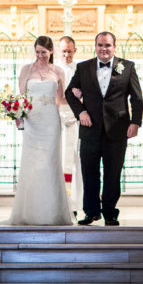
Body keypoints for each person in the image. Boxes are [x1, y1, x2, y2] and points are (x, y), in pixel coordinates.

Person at [66, 32, 143, 225]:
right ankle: (91, 212)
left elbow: (137, 98)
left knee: (112, 173)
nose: (104, 49)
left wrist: (135, 122)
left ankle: (110, 212)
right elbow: (69, 92)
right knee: (89, 172)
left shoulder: (127, 67)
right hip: (90, 129)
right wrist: (81, 112)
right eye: (100, 45)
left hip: (117, 130)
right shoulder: (83, 67)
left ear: (114, 47)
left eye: (108, 45)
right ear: (95, 46)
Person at [10, 36, 72, 225]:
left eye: (44, 53)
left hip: (51, 121)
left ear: (51, 51)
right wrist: (17, 114)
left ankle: (51, 212)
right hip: (32, 121)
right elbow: (21, 96)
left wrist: (80, 96)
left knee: (49, 163)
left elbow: (61, 99)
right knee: (32, 165)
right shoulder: (26, 70)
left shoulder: (59, 71)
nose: (40, 56)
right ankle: (30, 212)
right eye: (37, 52)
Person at [58, 36, 83, 216]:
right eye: (63, 51)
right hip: (57, 119)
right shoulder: (53, 70)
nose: (66, 54)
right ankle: (59, 201)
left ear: (75, 50)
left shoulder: (81, 70)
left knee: (75, 161)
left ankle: (74, 203)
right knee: (58, 160)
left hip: (75, 120)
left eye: (69, 51)